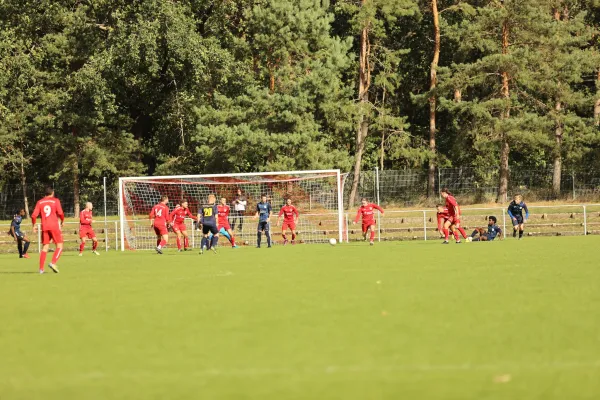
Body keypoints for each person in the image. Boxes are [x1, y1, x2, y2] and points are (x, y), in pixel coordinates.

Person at [31, 187, 64, 273]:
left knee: (45, 247)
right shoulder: (56, 201)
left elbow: (33, 216)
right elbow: (60, 213)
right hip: (54, 226)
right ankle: (53, 263)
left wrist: (34, 225)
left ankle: (41, 269)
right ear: (52, 193)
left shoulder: (40, 202)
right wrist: (62, 221)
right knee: (59, 246)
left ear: (45, 194)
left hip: (45, 227)